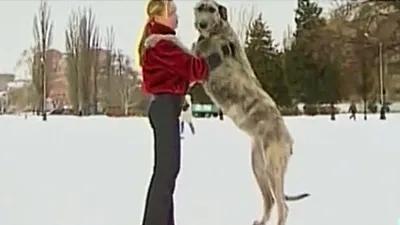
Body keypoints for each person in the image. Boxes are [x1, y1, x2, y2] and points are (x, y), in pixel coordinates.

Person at [137, 1, 229, 225]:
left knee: (168, 173)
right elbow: (195, 68)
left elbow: (187, 74)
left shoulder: (164, 42)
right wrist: (221, 55)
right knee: (165, 174)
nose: (177, 17)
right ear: (158, 17)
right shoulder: (161, 45)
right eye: (173, 13)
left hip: (168, 107)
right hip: (164, 108)